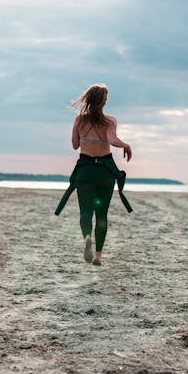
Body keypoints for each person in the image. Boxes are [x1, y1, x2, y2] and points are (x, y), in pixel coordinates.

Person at [67, 83, 132, 266]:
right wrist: (126, 145)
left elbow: (74, 145)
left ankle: (87, 236)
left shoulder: (79, 120)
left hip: (85, 170)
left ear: (88, 99)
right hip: (104, 172)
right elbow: (112, 140)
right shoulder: (110, 121)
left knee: (85, 212)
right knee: (101, 214)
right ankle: (97, 255)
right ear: (104, 102)